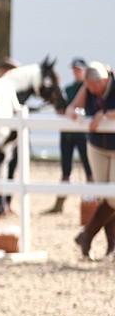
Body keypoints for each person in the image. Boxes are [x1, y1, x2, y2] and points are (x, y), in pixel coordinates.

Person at [67, 61, 115, 259]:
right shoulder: (88, 87)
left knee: (113, 197)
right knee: (105, 197)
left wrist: (103, 115)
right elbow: (71, 108)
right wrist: (77, 115)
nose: (91, 91)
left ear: (104, 81)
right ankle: (110, 247)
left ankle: (86, 235)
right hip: (96, 146)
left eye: (93, 86)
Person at [45, 57, 93, 214]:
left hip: (83, 135)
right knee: (66, 169)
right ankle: (59, 204)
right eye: (74, 69)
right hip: (67, 135)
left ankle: (94, 203)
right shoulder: (68, 89)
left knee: (89, 169)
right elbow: (61, 109)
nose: (76, 72)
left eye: (78, 69)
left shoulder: (89, 88)